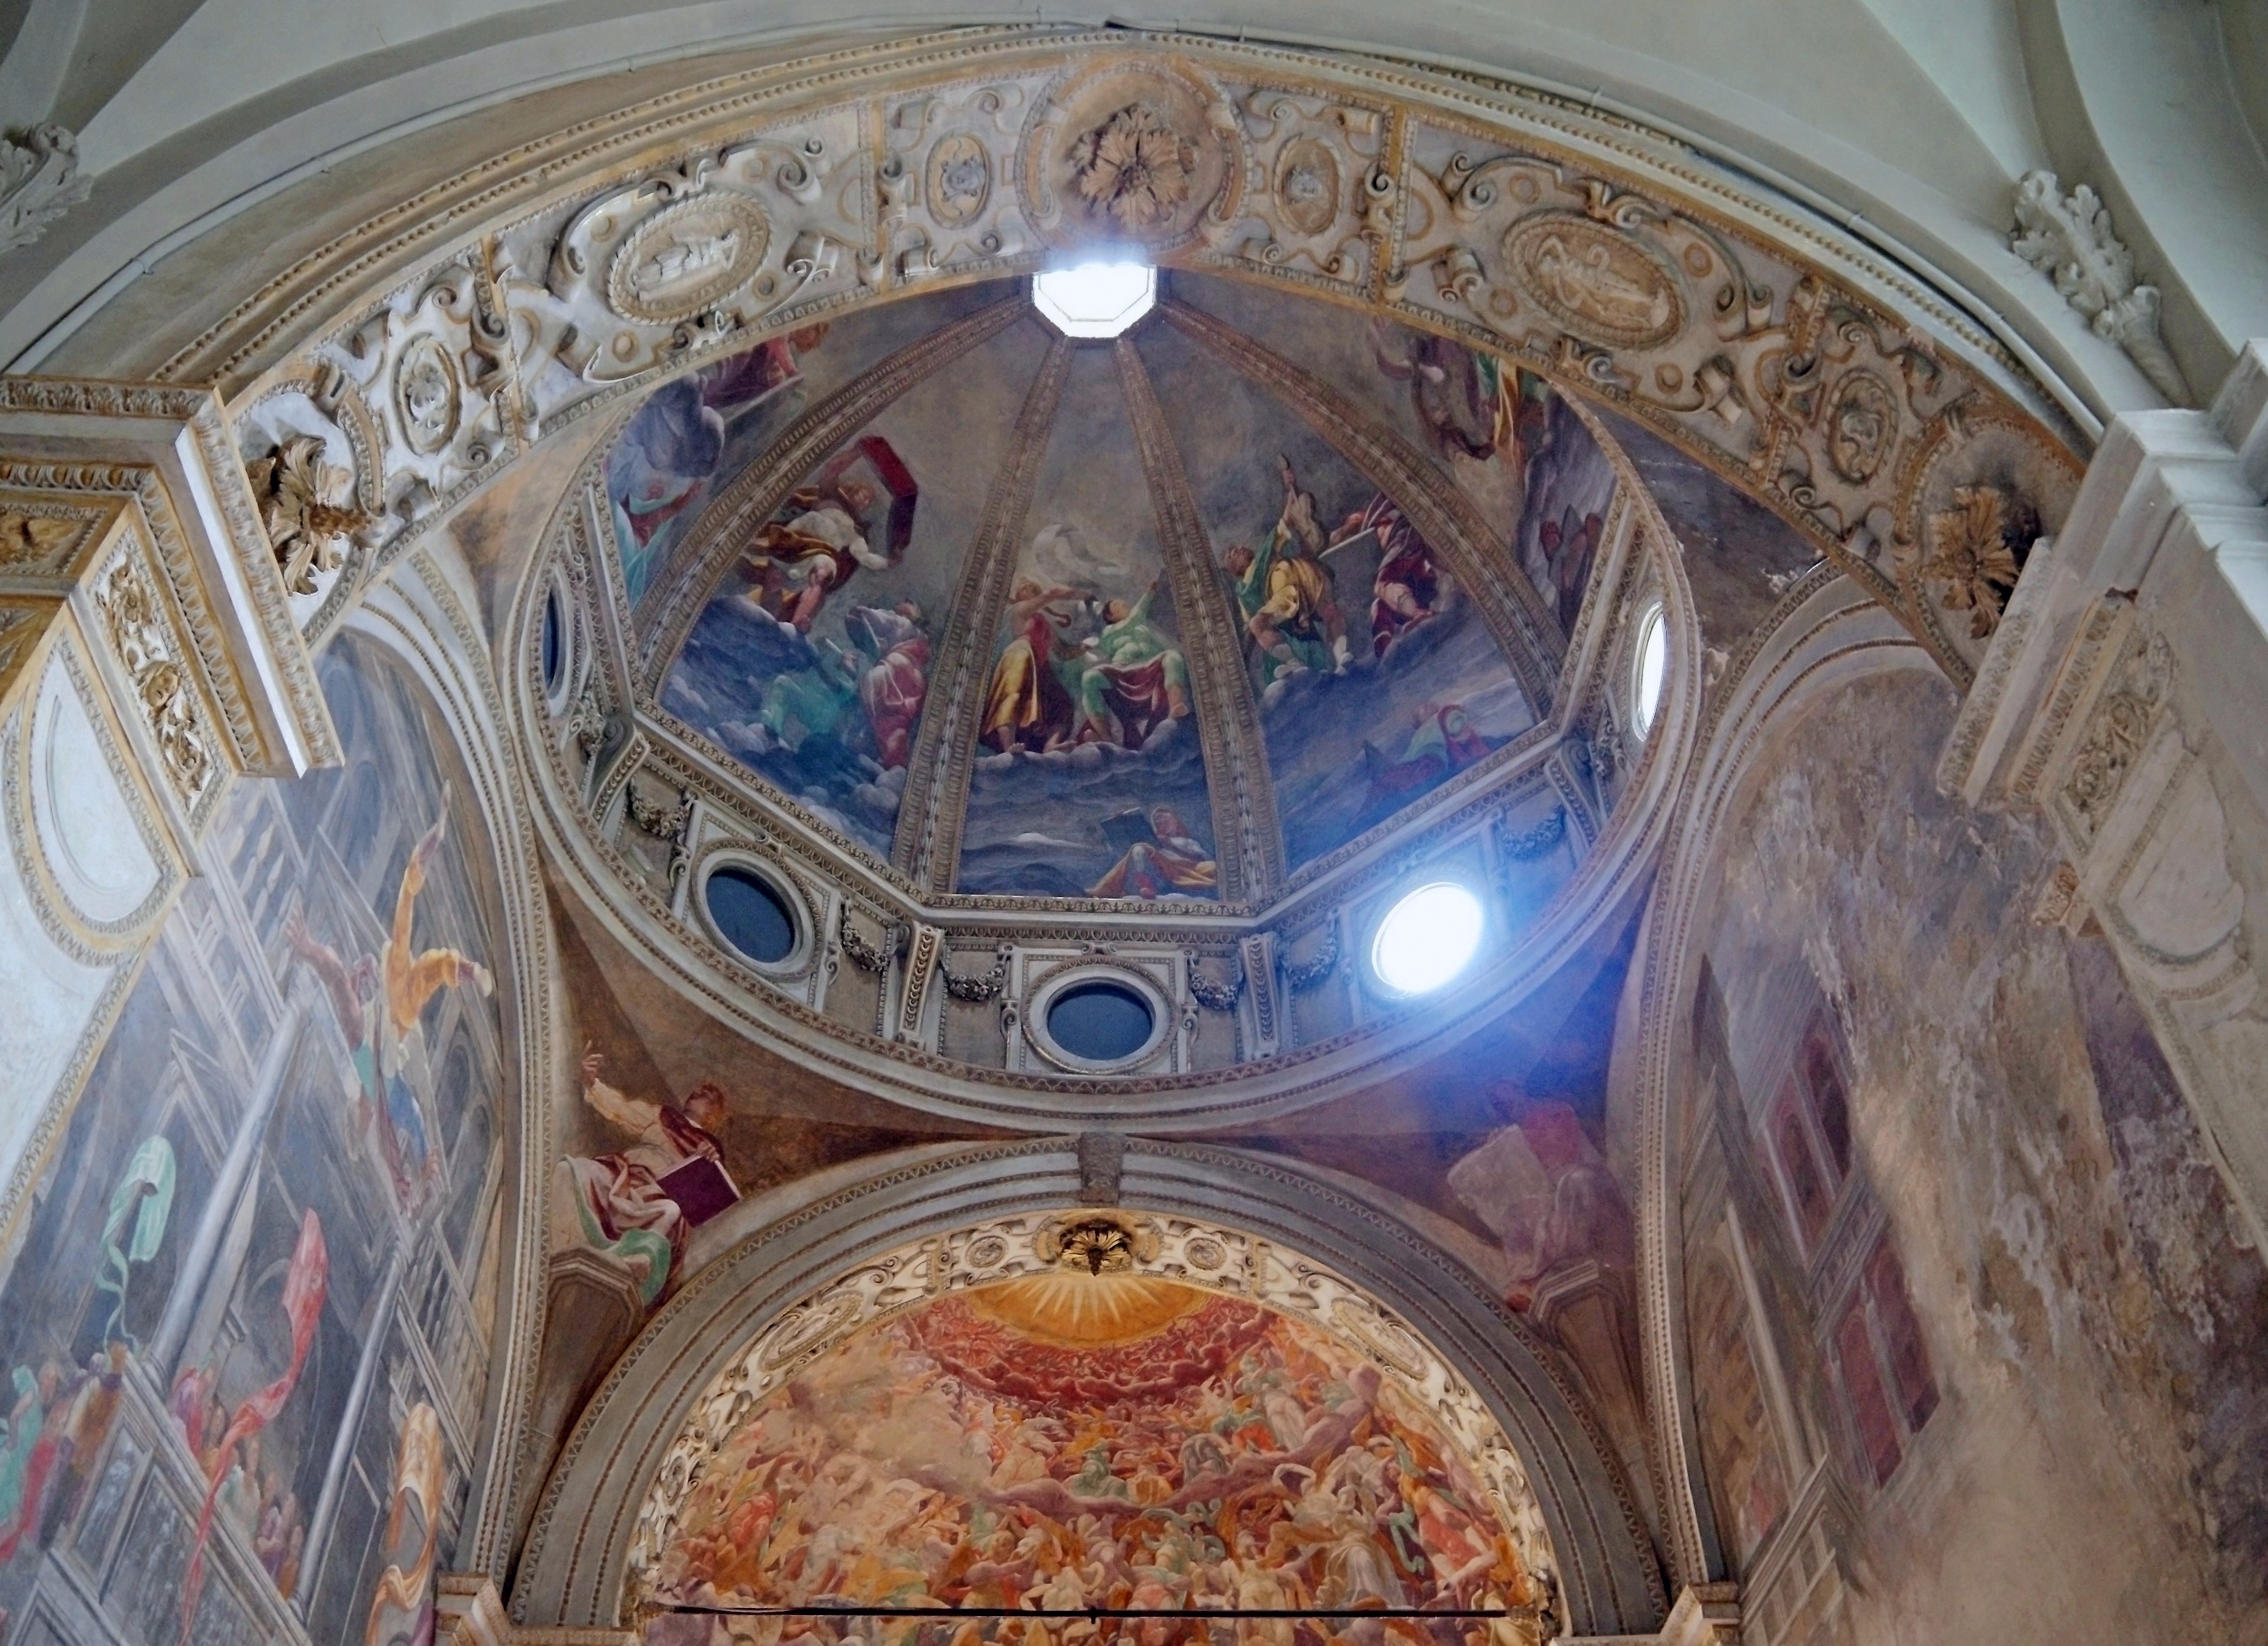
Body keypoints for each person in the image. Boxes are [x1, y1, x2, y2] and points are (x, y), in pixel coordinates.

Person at [284, 788, 494, 1207]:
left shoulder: (405, 990)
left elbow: (345, 973)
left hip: (386, 1039)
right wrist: (438, 827)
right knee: (386, 954)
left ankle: (465, 969)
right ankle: (464, 969)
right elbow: (408, 891)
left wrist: (473, 973)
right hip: (381, 1033)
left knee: (406, 928)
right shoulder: (400, 969)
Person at [557, 1051, 733, 1307]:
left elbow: (706, 1197)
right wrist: (592, 1082)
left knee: (671, 1209)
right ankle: (563, 1245)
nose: (697, 1093)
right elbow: (621, 1110)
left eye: (706, 1096)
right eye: (697, 1091)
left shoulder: (709, 1148)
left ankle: (642, 1258)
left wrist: (708, 1160)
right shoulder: (662, 1117)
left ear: (713, 1115)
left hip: (657, 1195)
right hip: (626, 1177)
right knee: (575, 1169)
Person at [1227, 456, 1350, 688]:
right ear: (1236, 570)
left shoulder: (1267, 553)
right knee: (1257, 624)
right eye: (1234, 554)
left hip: (1306, 577)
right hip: (1286, 595)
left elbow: (1287, 520)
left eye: (1238, 548)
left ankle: (1343, 656)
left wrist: (1289, 486)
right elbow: (1249, 622)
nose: (1240, 549)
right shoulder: (1244, 588)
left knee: (1331, 611)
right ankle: (1294, 663)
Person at [1065, 581, 1190, 747]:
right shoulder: (1110, 632)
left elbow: (1166, 645)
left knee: (1173, 657)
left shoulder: (1144, 627)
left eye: (1125, 603)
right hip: (1122, 673)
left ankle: (1176, 709)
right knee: (1090, 677)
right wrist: (1149, 594)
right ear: (1110, 617)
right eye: (1118, 605)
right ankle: (1105, 736)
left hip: (1150, 669)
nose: (1125, 605)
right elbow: (1133, 620)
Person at [981, 579, 1089, 753]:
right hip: (1020, 655)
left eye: (1031, 589)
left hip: (1040, 667)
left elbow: (1063, 652)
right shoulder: (1020, 610)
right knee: (1012, 695)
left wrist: (1086, 646)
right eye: (1023, 589)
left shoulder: (1044, 623)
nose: (1027, 591)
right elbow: (1051, 593)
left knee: (1063, 702)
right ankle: (1008, 745)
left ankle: (1051, 744)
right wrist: (1080, 595)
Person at [847, 602, 930, 769]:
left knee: (888, 717)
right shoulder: (917, 640)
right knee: (897, 721)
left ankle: (889, 761)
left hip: (894, 672)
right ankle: (892, 761)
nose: (896, 612)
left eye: (901, 611)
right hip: (911, 677)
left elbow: (868, 616)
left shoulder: (903, 625)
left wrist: (863, 611)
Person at [1088, 806, 1217, 899]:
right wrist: (1120, 825)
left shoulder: (1186, 842)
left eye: (1165, 821)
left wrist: (1171, 846)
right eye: (1158, 823)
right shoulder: (1153, 844)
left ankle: (1103, 889)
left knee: (1140, 847)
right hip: (1157, 874)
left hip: (1181, 872)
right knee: (1138, 848)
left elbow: (1201, 861)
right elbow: (1127, 857)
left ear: (1176, 823)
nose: (1161, 824)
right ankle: (1146, 888)